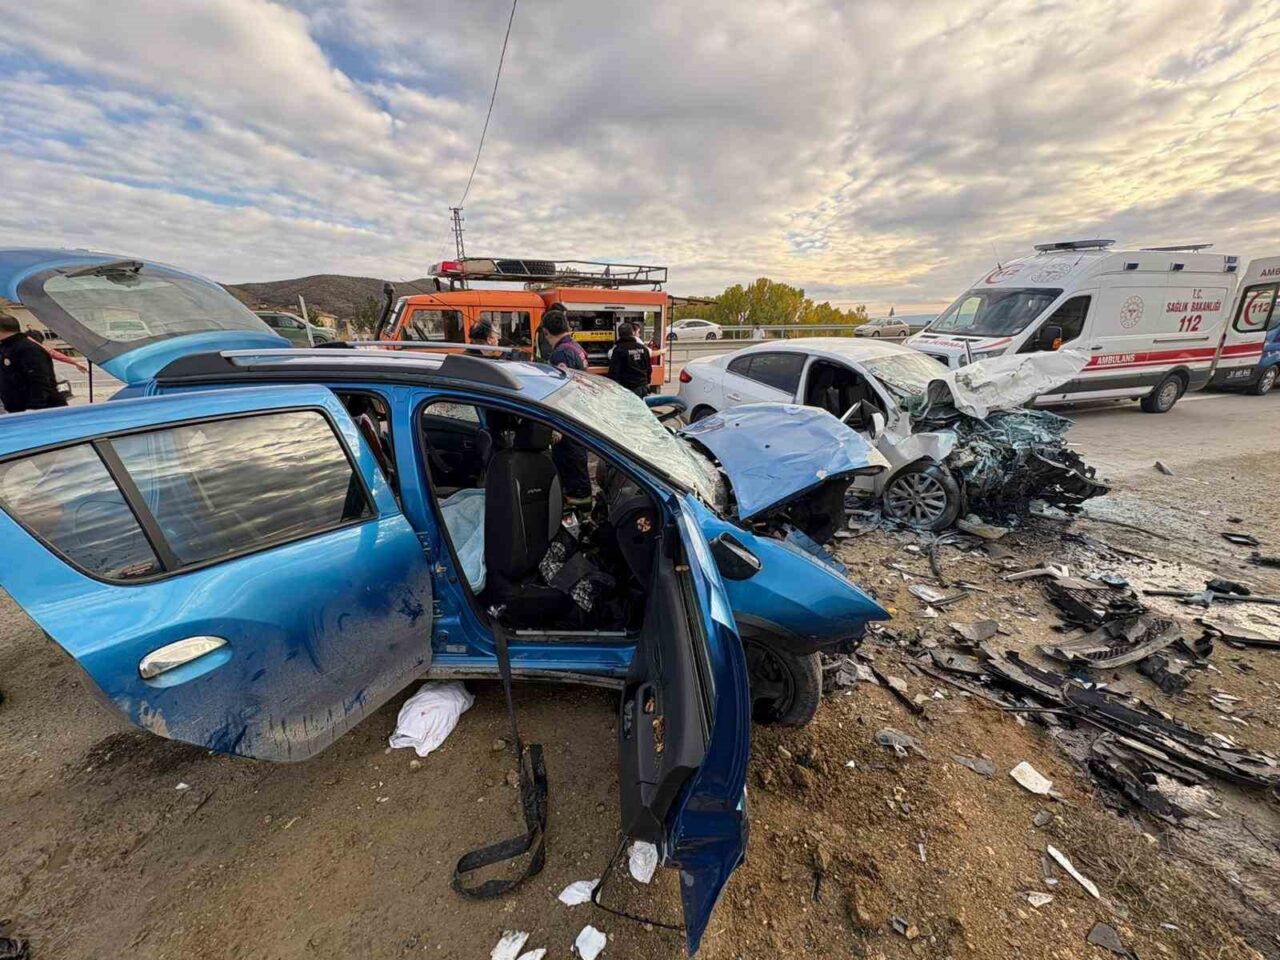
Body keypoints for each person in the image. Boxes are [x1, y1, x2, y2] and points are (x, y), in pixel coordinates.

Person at [540, 307, 592, 506]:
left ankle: (579, 499)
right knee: (576, 456)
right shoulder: (575, 347)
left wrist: (556, 425)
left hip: (569, 416)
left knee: (570, 458)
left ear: (545, 332)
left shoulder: (561, 354)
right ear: (567, 326)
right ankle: (581, 495)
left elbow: (562, 390)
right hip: (579, 411)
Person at [0, 313, 68, 413]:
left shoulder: (28, 349)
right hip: (15, 409)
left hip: (41, 410)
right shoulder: (5, 348)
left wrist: (33, 408)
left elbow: (40, 380)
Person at [606, 321, 652, 397]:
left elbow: (614, 372)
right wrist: (647, 383)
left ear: (619, 335)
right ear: (633, 333)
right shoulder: (643, 349)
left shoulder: (618, 350)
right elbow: (649, 369)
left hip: (628, 388)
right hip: (642, 386)